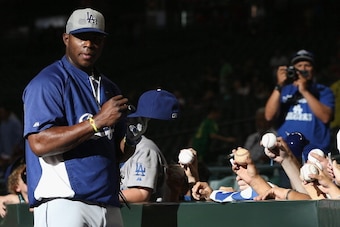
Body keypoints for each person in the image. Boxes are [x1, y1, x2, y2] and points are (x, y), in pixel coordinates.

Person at [22, 8, 140, 227]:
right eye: (82, 37)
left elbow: (115, 153)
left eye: (96, 38)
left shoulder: (110, 88)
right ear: (66, 39)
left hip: (108, 204)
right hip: (64, 203)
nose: (89, 44)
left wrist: (133, 137)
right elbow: (39, 142)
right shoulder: (48, 82)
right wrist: (96, 122)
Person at [265, 49, 335, 155]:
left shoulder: (323, 91)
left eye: (307, 65)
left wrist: (304, 90)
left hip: (316, 152)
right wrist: (279, 85)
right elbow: (269, 116)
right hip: (287, 152)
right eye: (299, 65)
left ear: (313, 70)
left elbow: (325, 117)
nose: (303, 69)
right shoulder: (284, 90)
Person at [119, 89, 179, 203]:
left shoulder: (145, 149)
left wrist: (102, 196)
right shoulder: (130, 144)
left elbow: (141, 194)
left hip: (148, 217)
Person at [0, 101, 23, 176]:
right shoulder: (3, 123)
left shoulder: (15, 122)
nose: (1, 114)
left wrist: (14, 154)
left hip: (14, 155)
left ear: (7, 112)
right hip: (5, 154)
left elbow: (19, 139)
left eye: (2, 112)